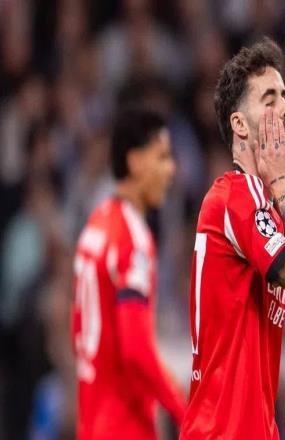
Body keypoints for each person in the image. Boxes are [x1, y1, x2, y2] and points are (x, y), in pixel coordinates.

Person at [180, 37, 285, 439]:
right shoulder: (238, 196)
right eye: (270, 99)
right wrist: (283, 184)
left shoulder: (258, 207)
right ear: (240, 124)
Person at [71, 107, 187, 440]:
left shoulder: (95, 227)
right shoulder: (133, 238)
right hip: (125, 426)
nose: (171, 169)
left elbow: (78, 328)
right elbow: (135, 350)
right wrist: (184, 411)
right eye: (162, 157)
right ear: (135, 162)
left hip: (90, 423)